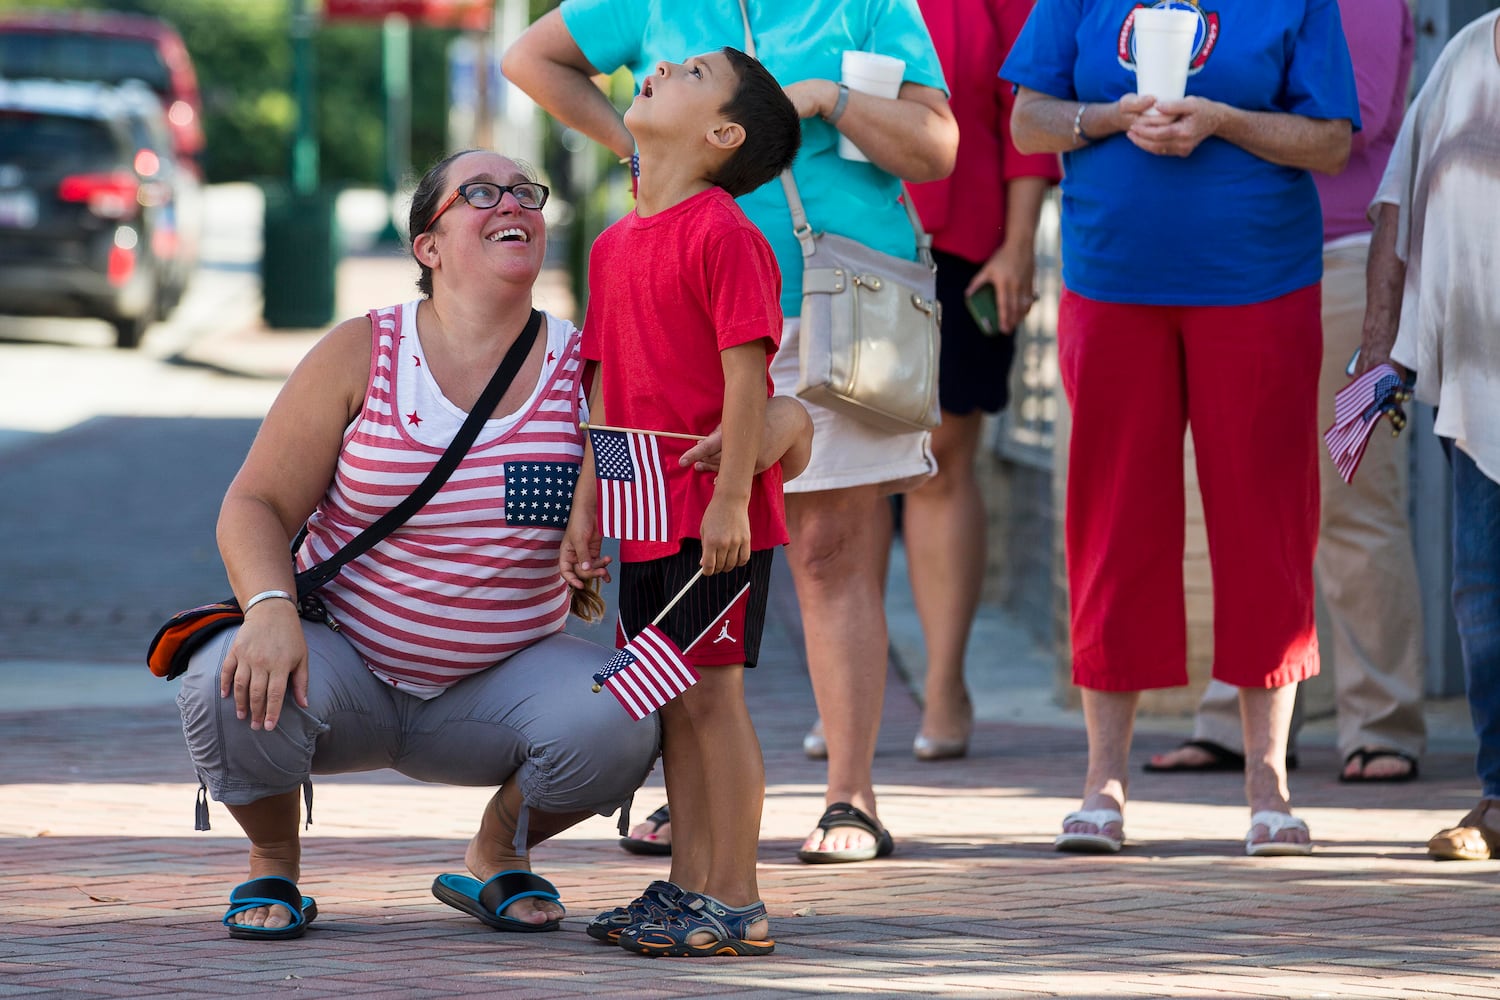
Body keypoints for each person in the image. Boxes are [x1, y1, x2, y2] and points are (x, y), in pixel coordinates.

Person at [175, 148, 809, 940]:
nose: (511, 202)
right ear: (428, 246)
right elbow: (255, 502)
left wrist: (784, 423)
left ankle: (496, 848)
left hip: (501, 687)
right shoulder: (363, 350)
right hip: (342, 670)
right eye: (479, 192)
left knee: (630, 707)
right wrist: (267, 607)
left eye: (525, 192)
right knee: (220, 677)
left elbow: (713, 425)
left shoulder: (586, 363)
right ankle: (273, 857)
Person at [505, 0, 957, 865]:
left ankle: (844, 798)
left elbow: (937, 150)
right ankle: (698, 813)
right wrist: (647, 154)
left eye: (687, 75)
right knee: (671, 623)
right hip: (683, 313)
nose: (664, 76)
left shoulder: (869, 6)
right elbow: (532, 58)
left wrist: (824, 98)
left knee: (830, 549)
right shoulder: (651, 23)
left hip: (840, 300)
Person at [1004, 0, 1358, 855]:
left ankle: (1268, 787)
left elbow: (1332, 140)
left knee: (1265, 523)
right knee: (1115, 523)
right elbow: (1027, 121)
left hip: (1261, 281)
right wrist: (1106, 118)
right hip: (1111, 279)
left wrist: (1226, 122)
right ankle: (1102, 786)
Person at [559, 46, 801, 958]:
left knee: (713, 698)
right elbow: (604, 390)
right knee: (671, 702)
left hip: (715, 520)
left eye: (694, 73)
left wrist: (733, 500)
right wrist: (587, 509)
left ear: (721, 134)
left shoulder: (724, 234)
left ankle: (734, 895)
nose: (660, 66)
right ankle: (688, 885)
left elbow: (750, 381)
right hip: (639, 508)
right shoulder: (615, 240)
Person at [1145, 0, 1425, 785]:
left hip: (1342, 263)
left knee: (1351, 495)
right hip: (1237, 265)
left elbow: (1354, 121)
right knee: (1241, 499)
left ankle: (1383, 719)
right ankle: (1237, 710)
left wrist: (1214, 118)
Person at [1357, 9, 1500, 861]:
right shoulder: (1466, 52)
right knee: (1482, 597)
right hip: (1477, 384)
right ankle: (1496, 796)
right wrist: (1378, 358)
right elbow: (1398, 207)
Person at [899, 0, 1058, 761]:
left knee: (938, 462)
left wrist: (1020, 244)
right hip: (831, 245)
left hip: (963, 247)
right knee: (840, 479)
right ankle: (848, 689)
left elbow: (1024, 115)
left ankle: (943, 685)